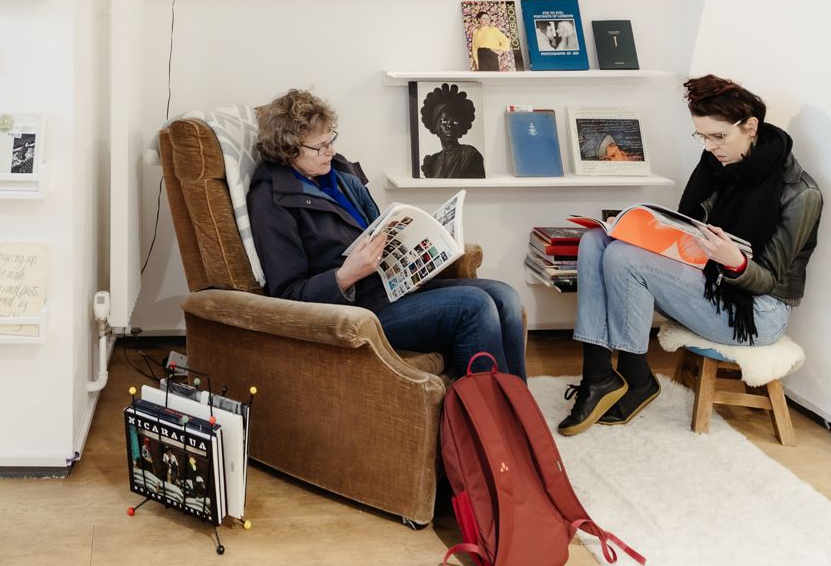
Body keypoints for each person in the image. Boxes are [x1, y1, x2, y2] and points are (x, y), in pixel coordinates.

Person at [557, 75, 822, 436]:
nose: (711, 146)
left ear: (751, 127)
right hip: (704, 282)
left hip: (754, 311)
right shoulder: (717, 165)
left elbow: (768, 280)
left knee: (623, 258)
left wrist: (735, 261)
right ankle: (598, 376)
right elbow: (687, 232)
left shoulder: (801, 193)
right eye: (702, 136)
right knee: (595, 242)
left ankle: (637, 379)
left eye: (719, 136)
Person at [247, 89, 525, 379]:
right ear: (289, 149)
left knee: (505, 297)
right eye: (320, 146)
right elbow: (288, 296)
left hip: (390, 288)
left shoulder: (338, 173)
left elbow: (376, 228)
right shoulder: (272, 201)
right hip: (358, 310)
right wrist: (345, 276)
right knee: (475, 306)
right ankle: (489, 420)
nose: (330, 150)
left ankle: (518, 411)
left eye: (331, 140)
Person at [420, 83, 486, 179]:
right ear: (436, 126)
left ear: (460, 127)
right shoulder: (432, 161)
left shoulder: (469, 156)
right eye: (444, 121)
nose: (449, 126)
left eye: (454, 122)